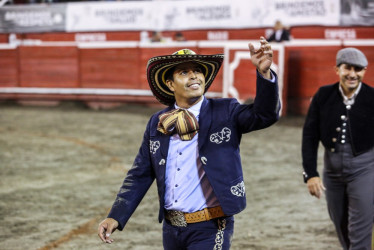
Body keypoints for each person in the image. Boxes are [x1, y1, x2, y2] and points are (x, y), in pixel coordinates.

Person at [98, 37, 280, 249]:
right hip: (171, 229)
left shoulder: (226, 111)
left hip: (212, 227)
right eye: (184, 72)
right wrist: (116, 216)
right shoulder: (157, 123)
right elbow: (140, 173)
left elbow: (265, 115)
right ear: (170, 84)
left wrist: (265, 74)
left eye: (198, 70)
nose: (194, 75)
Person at [302, 47, 374, 250]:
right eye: (347, 68)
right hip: (331, 172)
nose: (352, 74)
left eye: (358, 69)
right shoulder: (323, 95)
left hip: (364, 170)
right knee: (341, 226)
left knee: (359, 231)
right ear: (337, 69)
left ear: (364, 71)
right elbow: (310, 135)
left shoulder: (372, 97)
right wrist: (311, 174)